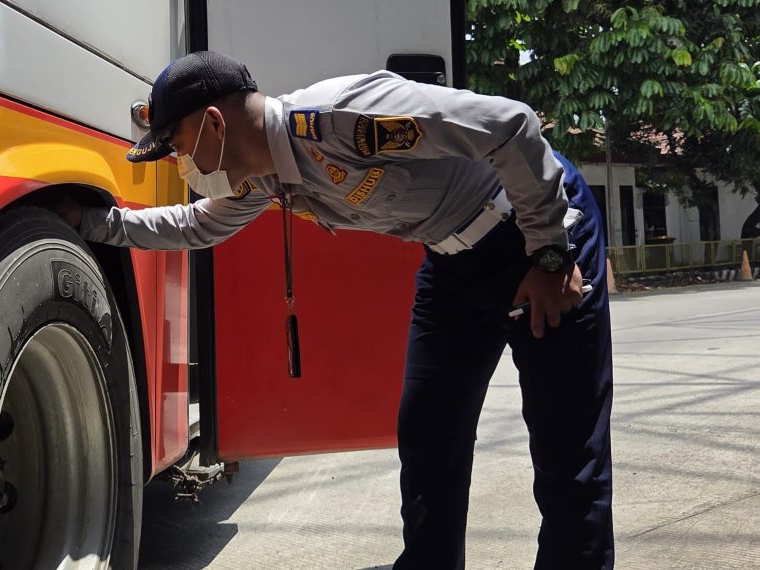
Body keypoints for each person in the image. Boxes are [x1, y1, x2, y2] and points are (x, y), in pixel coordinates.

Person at [59, 51, 614, 569]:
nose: (179, 161)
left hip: (539, 238)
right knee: (429, 433)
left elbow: (511, 125)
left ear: (213, 123)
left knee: (566, 447)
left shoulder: (342, 118)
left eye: (177, 144)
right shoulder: (265, 177)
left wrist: (547, 253)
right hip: (453, 265)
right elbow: (196, 225)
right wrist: (95, 223)